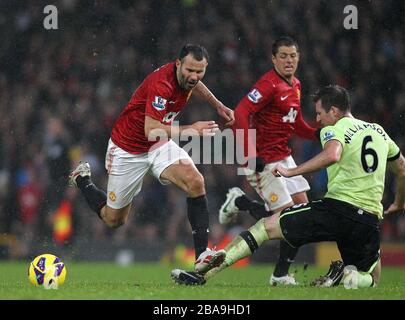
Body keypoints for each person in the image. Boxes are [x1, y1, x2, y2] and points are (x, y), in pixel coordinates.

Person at [172, 84, 405, 288]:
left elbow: (333, 155)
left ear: (334, 111)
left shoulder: (335, 129)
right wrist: (399, 201)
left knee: (265, 227)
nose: (318, 120)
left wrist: (293, 171)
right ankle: (348, 278)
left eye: (320, 113)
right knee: (373, 278)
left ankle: (203, 275)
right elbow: (402, 169)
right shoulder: (379, 131)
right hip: (369, 220)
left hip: (337, 210)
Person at [68, 44, 235, 273]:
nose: (194, 76)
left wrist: (217, 105)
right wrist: (191, 129)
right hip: (127, 150)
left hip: (158, 145)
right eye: (190, 70)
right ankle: (83, 180)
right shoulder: (162, 84)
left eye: (200, 71)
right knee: (113, 219)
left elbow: (195, 86)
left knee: (195, 181)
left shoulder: (188, 78)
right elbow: (150, 129)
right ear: (178, 64)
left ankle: (202, 256)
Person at [218, 36, 319, 285]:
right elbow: (240, 113)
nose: (288, 60)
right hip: (263, 161)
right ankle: (240, 202)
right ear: (273, 59)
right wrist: (251, 154)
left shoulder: (295, 84)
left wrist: (320, 133)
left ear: (299, 58)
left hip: (284, 157)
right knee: (287, 220)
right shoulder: (268, 84)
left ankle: (280, 275)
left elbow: (297, 124)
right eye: (283, 56)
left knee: (301, 216)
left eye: (292, 55)